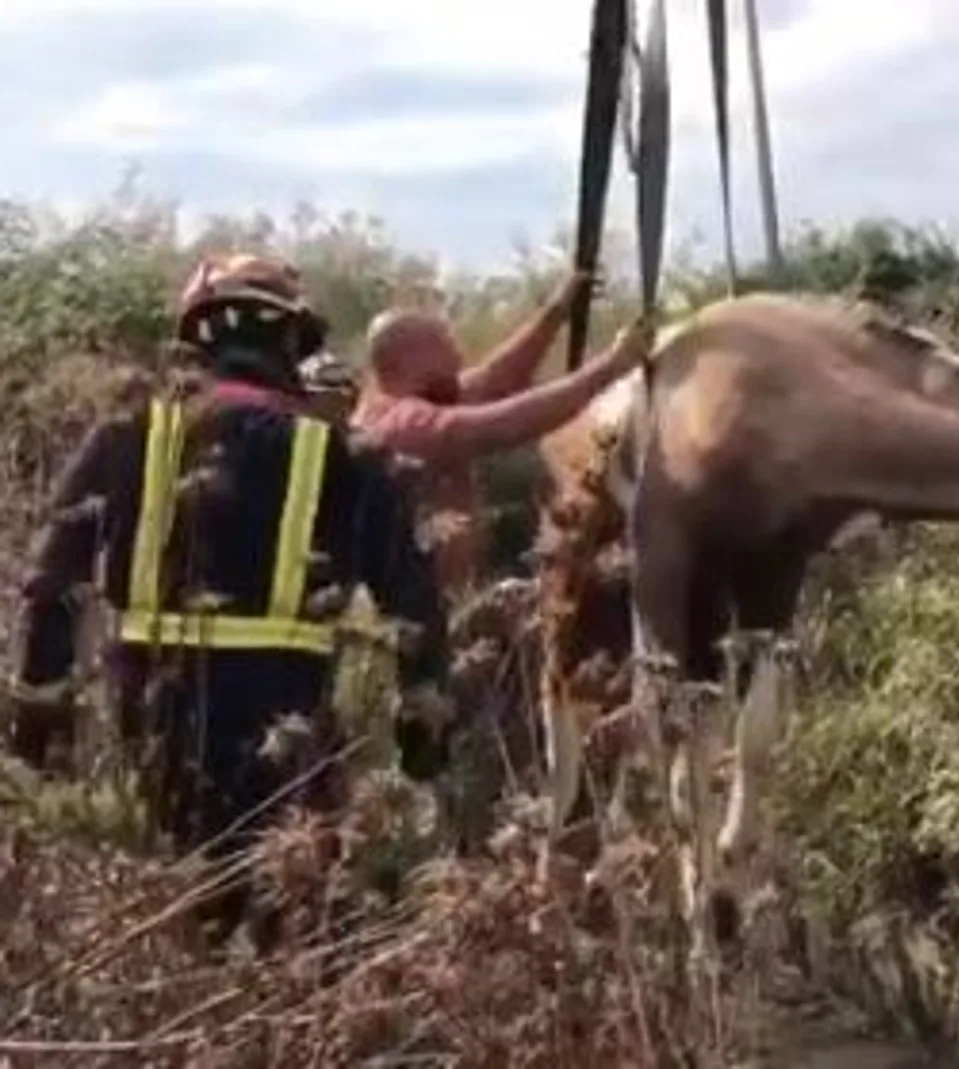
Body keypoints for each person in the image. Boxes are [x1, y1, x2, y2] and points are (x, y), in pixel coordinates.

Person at [3, 253, 451, 950]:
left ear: (195, 341)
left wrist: (38, 726)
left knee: (164, 922)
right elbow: (418, 609)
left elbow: (50, 583)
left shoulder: (126, 436)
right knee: (285, 930)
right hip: (288, 736)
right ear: (292, 346)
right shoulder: (345, 457)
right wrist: (423, 731)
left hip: (149, 727)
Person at [351, 273, 648, 596]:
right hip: (415, 604)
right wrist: (611, 366)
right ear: (406, 359)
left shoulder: (413, 400)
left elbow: (498, 378)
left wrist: (557, 310)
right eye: (445, 347)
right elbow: (508, 423)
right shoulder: (405, 424)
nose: (459, 357)